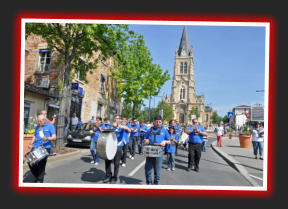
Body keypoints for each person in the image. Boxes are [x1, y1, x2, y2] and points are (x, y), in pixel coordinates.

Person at [27, 114, 56, 183]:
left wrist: (48, 138)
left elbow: (54, 137)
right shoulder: (37, 126)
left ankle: (39, 180)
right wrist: (31, 143)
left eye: (40, 121)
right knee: (30, 161)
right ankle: (37, 176)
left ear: (44, 120)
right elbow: (34, 136)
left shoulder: (50, 126)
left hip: (45, 147)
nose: (38, 122)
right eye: (38, 121)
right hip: (35, 147)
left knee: (41, 164)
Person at [103, 115, 130, 184]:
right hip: (110, 146)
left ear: (120, 120)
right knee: (107, 161)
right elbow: (105, 131)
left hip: (118, 146)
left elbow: (129, 130)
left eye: (117, 118)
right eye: (115, 118)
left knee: (116, 163)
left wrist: (119, 126)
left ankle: (114, 177)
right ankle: (108, 176)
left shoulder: (122, 126)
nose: (115, 119)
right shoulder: (111, 125)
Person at [144, 115, 170, 185]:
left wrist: (165, 142)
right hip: (150, 150)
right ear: (154, 122)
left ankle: (156, 186)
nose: (158, 123)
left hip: (159, 151)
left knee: (157, 171)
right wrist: (146, 140)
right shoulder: (150, 130)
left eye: (160, 122)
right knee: (148, 170)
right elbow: (145, 138)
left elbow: (169, 141)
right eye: (157, 122)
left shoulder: (164, 130)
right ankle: (149, 184)